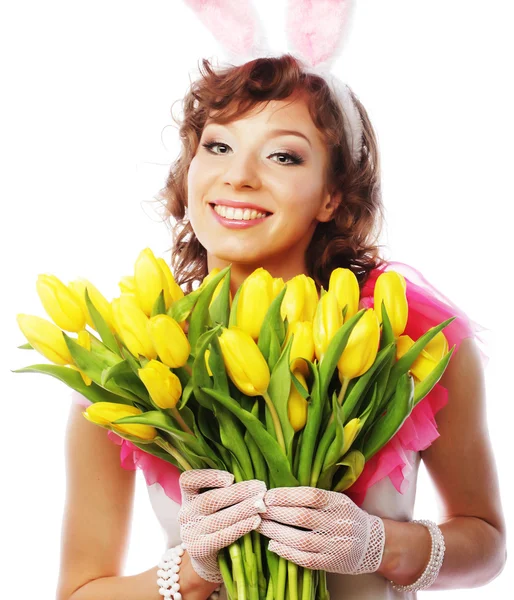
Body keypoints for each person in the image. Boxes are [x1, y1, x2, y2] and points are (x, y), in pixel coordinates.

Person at [56, 53, 506, 600]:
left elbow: (487, 547)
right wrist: (194, 572)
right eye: (217, 147)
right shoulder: (135, 365)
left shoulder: (406, 341)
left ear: (331, 195)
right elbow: (79, 593)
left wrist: (377, 543)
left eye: (283, 156)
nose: (238, 176)